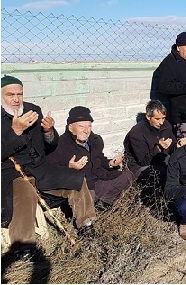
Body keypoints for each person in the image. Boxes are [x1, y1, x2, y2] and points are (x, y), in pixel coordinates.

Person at [1, 76, 96, 259]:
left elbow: (49, 146)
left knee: (75, 178)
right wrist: (16, 132)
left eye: (19, 94)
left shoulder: (32, 110)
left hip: (40, 167)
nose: (16, 99)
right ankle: (24, 247)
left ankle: (87, 225)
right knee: (25, 193)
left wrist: (49, 132)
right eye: (10, 95)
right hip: (11, 171)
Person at [47, 106, 133, 212]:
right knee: (86, 197)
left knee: (127, 176)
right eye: (81, 126)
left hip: (99, 181)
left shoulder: (95, 140)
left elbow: (100, 159)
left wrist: (110, 163)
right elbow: (50, 170)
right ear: (70, 127)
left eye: (89, 126)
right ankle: (81, 212)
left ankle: (103, 202)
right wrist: (69, 167)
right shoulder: (60, 144)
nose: (86, 131)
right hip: (82, 187)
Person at [124, 100, 179, 186]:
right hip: (141, 168)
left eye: (163, 118)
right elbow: (144, 162)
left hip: (163, 160)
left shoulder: (166, 125)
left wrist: (177, 146)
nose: (161, 122)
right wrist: (159, 148)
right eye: (157, 119)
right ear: (148, 117)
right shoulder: (136, 133)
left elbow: (172, 147)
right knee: (167, 174)